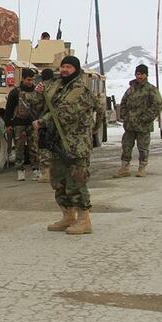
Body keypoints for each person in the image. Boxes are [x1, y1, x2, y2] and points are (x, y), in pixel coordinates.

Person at [33, 56, 104, 234]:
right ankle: (68, 216)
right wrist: (39, 92)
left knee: (76, 180)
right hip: (58, 142)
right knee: (59, 180)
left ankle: (84, 219)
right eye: (63, 66)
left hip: (75, 143)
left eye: (69, 67)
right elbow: (42, 104)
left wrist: (43, 121)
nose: (64, 70)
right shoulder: (58, 86)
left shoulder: (80, 89)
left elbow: (64, 112)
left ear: (76, 69)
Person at [115, 64, 162, 177]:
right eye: (138, 74)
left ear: (146, 75)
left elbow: (157, 104)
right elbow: (123, 103)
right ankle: (124, 168)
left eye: (142, 74)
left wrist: (146, 117)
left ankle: (142, 168)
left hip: (143, 125)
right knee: (126, 146)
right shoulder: (131, 89)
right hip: (130, 125)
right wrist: (125, 116)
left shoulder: (151, 89)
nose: (139, 76)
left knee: (143, 148)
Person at [3, 68, 45, 181]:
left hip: (33, 124)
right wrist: (8, 124)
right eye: (28, 79)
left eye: (32, 80)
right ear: (22, 79)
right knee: (19, 148)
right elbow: (9, 109)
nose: (30, 82)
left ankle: (36, 170)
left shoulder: (37, 91)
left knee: (34, 148)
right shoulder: (15, 92)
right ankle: (20, 171)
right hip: (19, 124)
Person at [33, 68, 56, 182]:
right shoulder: (58, 86)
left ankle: (46, 173)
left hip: (45, 120)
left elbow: (37, 104)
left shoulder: (42, 87)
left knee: (44, 146)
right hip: (57, 120)